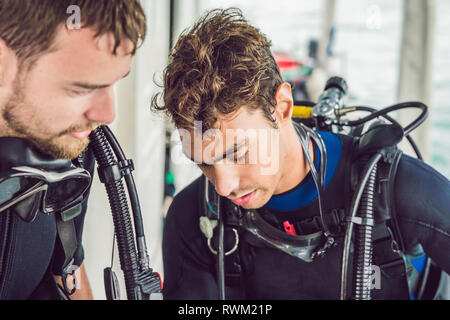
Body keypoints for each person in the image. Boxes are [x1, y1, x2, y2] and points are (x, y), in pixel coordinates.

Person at [153, 8, 450, 300]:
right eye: (204, 162)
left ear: (282, 107)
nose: (223, 186)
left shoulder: (398, 193)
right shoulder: (194, 218)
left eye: (237, 153)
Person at [0, 0, 146, 299]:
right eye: (81, 89)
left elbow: (68, 270)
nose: (107, 114)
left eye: (112, 84)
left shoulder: (71, 146)